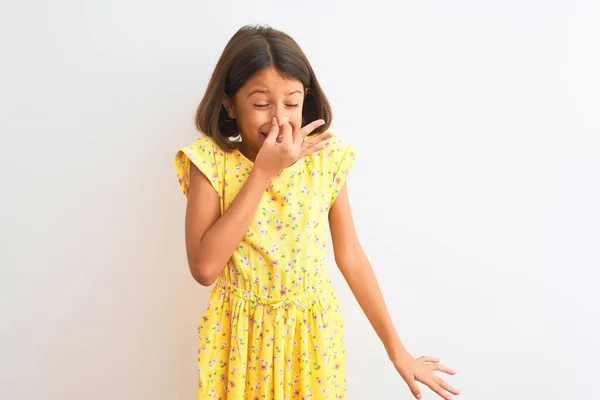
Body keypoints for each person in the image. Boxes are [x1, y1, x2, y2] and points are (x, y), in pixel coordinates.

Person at [174, 24, 460, 400]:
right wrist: (262, 173)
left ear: (305, 99)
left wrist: (398, 351)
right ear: (229, 103)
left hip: (310, 337)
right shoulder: (210, 162)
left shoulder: (325, 158)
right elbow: (204, 269)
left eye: (291, 103)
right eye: (261, 104)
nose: (279, 118)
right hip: (239, 337)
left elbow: (351, 255)